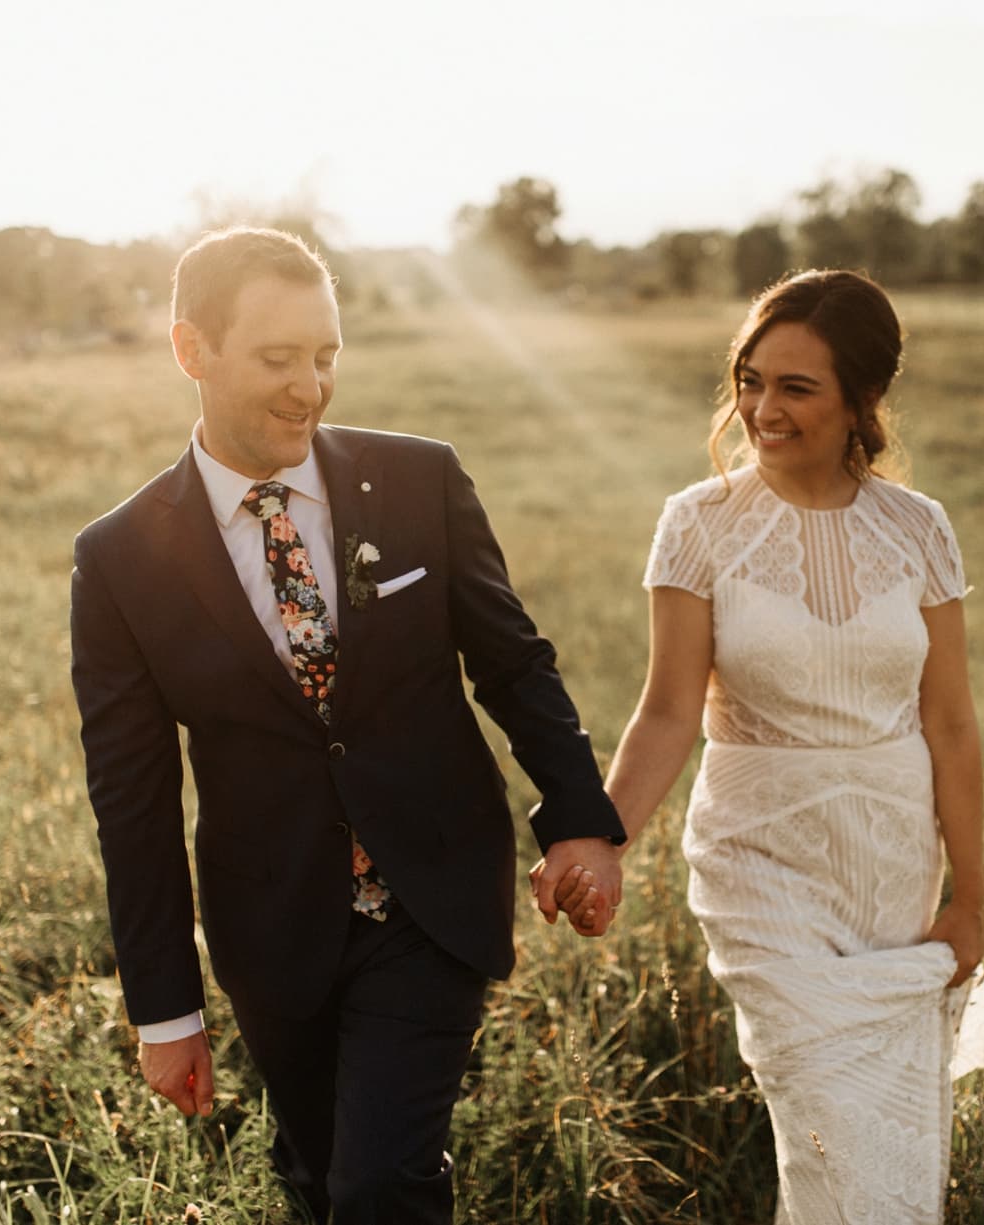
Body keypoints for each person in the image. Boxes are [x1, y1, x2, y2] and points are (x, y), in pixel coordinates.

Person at [69, 226, 624, 1224]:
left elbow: (512, 660)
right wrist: (166, 1010)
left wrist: (576, 818)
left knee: (380, 1186)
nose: (309, 387)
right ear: (190, 350)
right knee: (319, 1178)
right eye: (278, 359)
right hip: (272, 925)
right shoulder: (120, 558)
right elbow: (133, 801)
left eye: (326, 357)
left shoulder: (418, 480)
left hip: (431, 898)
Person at [546, 269, 984, 1222]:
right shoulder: (697, 525)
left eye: (796, 386)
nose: (761, 408)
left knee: (885, 1137)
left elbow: (950, 724)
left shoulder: (921, 532)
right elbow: (666, 712)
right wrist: (601, 840)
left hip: (888, 865)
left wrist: (972, 899)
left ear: (861, 399)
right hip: (758, 860)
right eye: (751, 379)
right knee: (826, 1102)